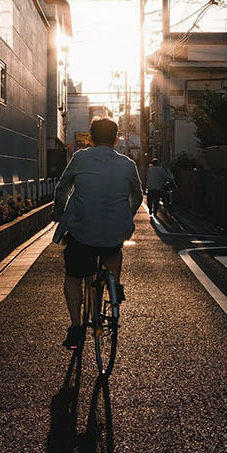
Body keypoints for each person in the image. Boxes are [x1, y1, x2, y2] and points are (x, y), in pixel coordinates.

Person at [52, 116, 143, 349]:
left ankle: (76, 327)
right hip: (114, 231)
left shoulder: (80, 158)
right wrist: (125, 215)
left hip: (82, 231)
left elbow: (62, 188)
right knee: (113, 249)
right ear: (115, 139)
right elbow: (138, 196)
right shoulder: (127, 164)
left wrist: (59, 213)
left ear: (90, 139)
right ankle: (115, 284)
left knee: (74, 275)